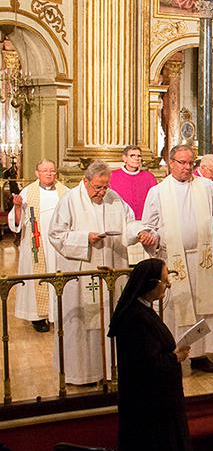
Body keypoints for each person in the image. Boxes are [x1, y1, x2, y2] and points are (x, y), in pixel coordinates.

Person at [48, 161, 141, 385]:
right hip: (82, 273)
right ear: (85, 181)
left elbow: (129, 223)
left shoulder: (114, 198)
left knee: (111, 318)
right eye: (98, 187)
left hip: (112, 269)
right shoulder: (70, 200)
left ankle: (111, 369)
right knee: (83, 322)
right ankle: (82, 374)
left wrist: (140, 231)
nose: (102, 192)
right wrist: (84, 239)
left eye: (105, 186)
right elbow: (56, 235)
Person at [140, 145, 213, 373]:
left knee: (204, 308)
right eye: (182, 162)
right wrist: (152, 238)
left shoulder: (207, 187)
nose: (188, 167)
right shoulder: (158, 192)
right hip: (174, 260)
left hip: (203, 258)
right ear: (171, 163)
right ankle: (174, 354)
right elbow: (150, 226)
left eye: (191, 163)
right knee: (176, 309)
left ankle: (199, 355)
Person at [108, 258, 195, 451]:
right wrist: (175, 357)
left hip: (156, 401)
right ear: (150, 283)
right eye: (165, 281)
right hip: (150, 405)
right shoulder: (135, 318)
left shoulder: (140, 309)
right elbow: (148, 365)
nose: (168, 286)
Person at [8, 160, 68, 332]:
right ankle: (38, 316)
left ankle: (58, 313)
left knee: (59, 276)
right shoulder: (28, 192)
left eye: (52, 170)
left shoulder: (65, 192)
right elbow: (16, 224)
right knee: (37, 278)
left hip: (58, 246)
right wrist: (18, 207)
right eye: (45, 171)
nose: (49, 174)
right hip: (36, 245)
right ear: (37, 173)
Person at [109, 145, 158, 265]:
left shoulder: (149, 177)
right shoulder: (113, 176)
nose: (137, 158)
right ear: (124, 158)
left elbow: (155, 202)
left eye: (139, 156)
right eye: (132, 156)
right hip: (124, 227)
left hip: (145, 226)